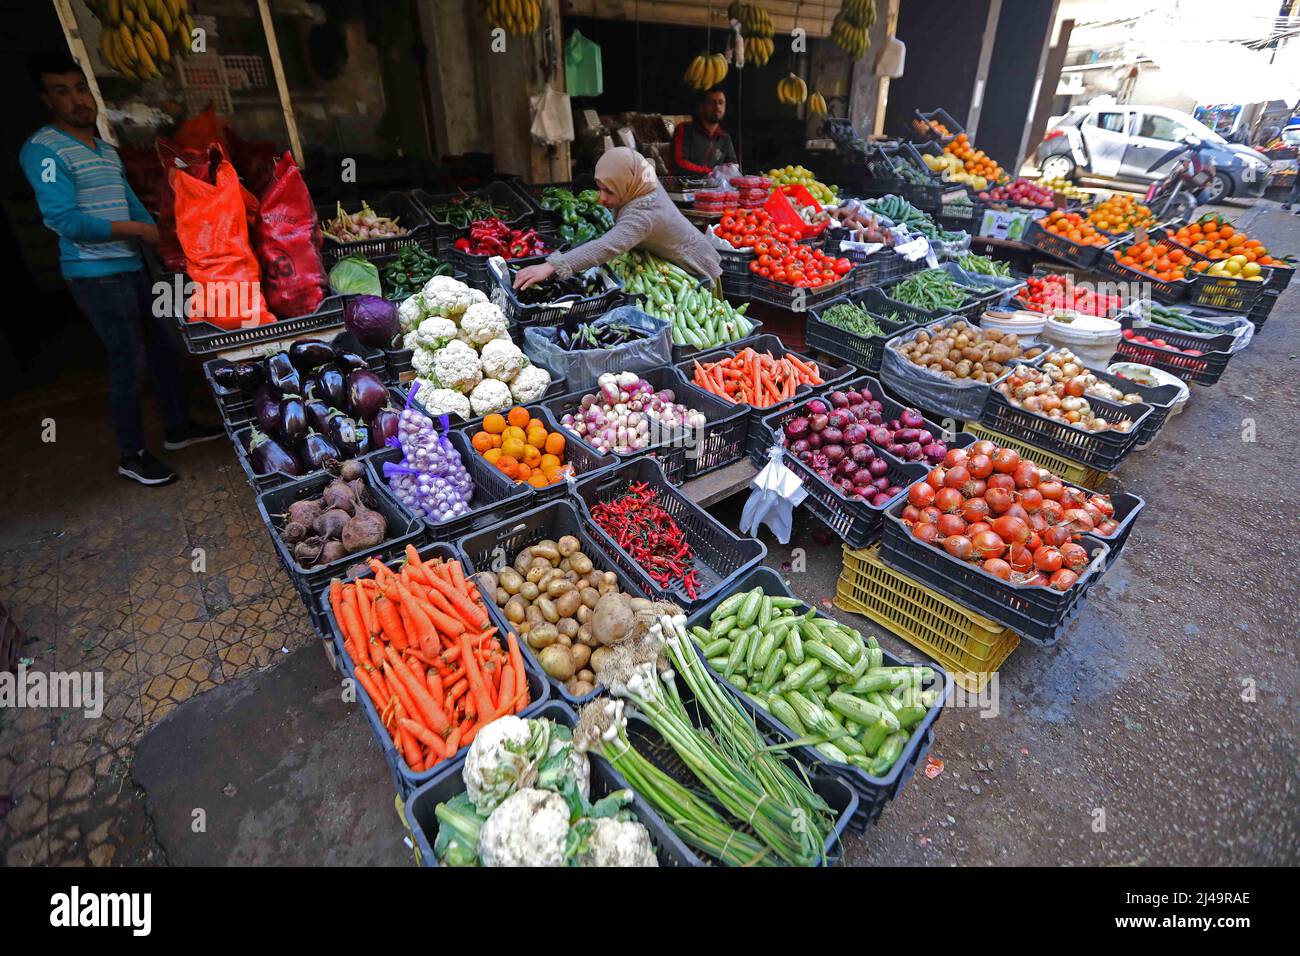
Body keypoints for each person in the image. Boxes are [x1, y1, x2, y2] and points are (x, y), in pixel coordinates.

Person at [19, 51, 219, 486]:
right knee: (129, 360)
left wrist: (167, 240)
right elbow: (63, 220)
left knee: (166, 346)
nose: (77, 100)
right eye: (62, 92)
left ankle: (178, 427)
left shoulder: (105, 151)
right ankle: (132, 453)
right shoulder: (43, 150)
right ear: (46, 99)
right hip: (94, 276)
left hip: (133, 267)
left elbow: (131, 204)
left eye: (80, 89)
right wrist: (140, 232)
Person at [512, 147, 721, 291]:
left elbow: (606, 246)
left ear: (626, 183)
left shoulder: (643, 214)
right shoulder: (641, 179)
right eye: (600, 188)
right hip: (678, 264)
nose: (601, 198)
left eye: (609, 191)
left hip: (697, 271)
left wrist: (550, 267)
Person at [671, 90, 738, 176]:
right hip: (681, 186)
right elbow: (679, 163)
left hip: (714, 187)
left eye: (721, 103)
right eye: (712, 103)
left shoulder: (725, 137)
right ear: (701, 107)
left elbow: (733, 166)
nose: (717, 107)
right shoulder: (684, 129)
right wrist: (710, 173)